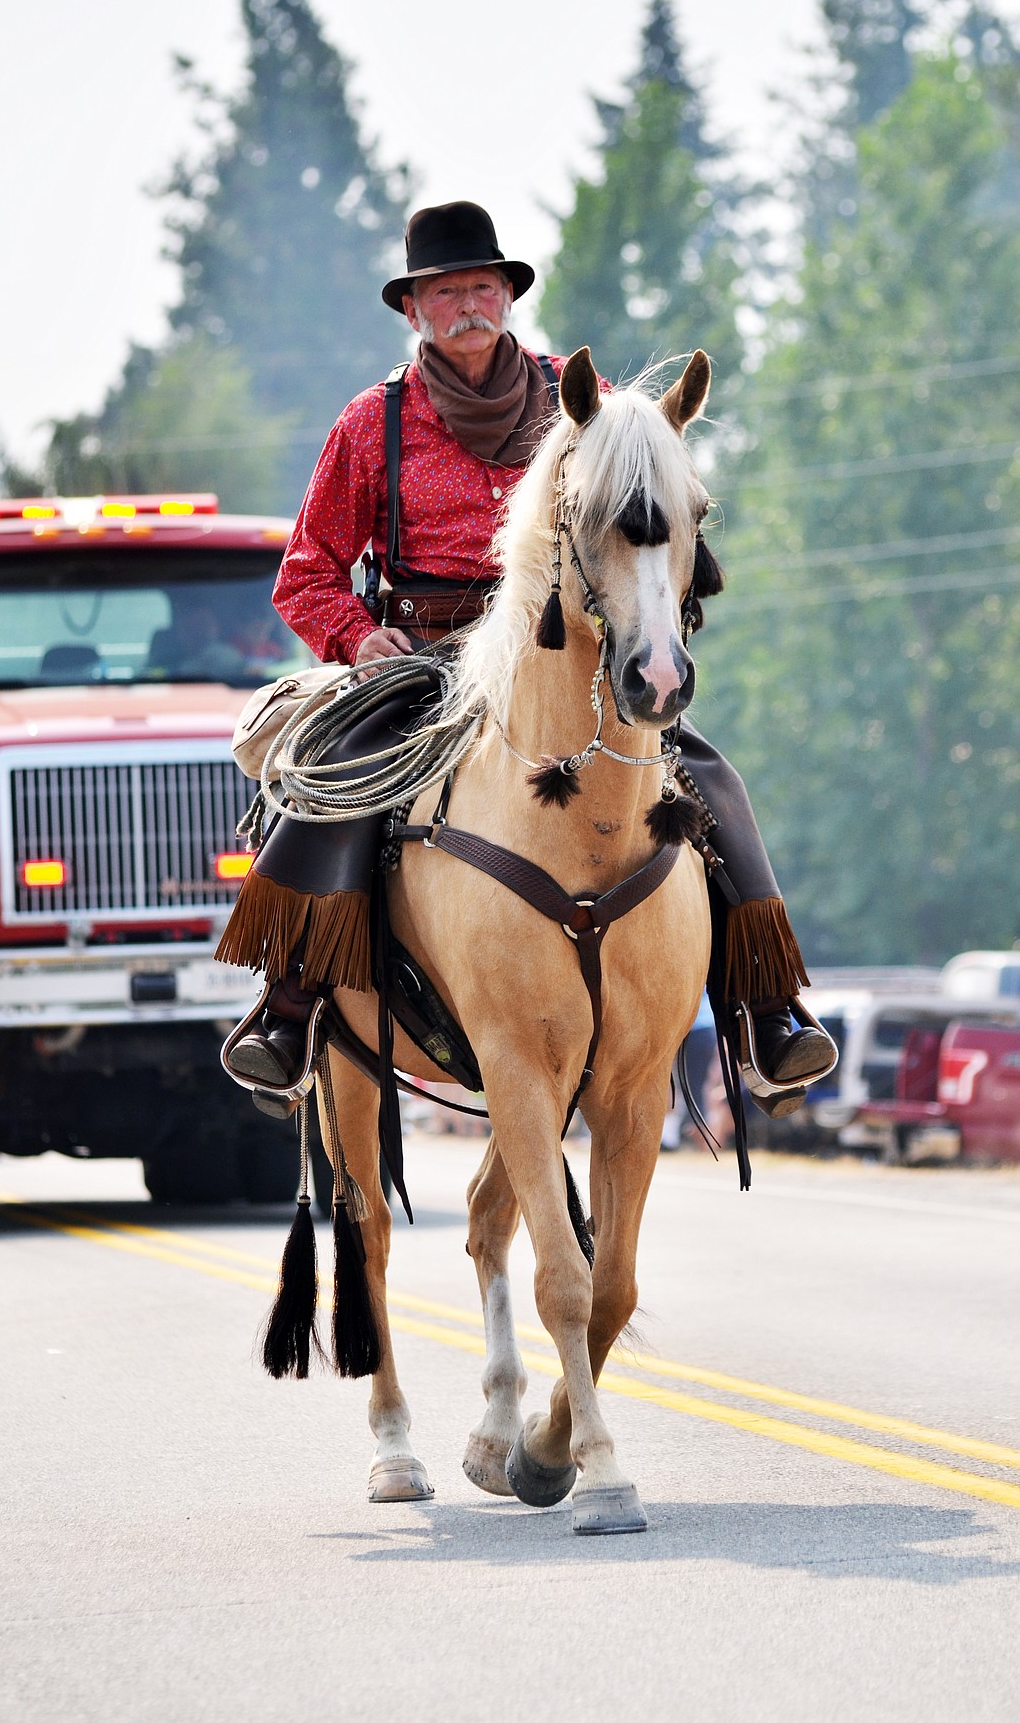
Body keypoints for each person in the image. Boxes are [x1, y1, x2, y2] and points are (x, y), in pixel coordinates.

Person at [218, 201, 835, 1116]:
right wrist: (361, 638)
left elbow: (647, 527)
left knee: (709, 780)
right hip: (423, 661)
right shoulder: (369, 424)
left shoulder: (583, 405)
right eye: (443, 291)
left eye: (480, 285)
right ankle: (292, 1002)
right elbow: (305, 573)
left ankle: (767, 1009)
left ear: (506, 295)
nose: (465, 304)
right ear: (412, 310)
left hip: (570, 655)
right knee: (339, 777)